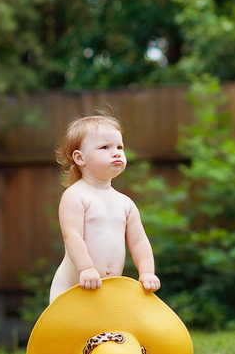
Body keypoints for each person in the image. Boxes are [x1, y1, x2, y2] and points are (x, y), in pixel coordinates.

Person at [49, 115, 160, 303]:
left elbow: (139, 242)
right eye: (105, 147)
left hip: (105, 291)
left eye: (119, 147)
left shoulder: (125, 203)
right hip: (73, 288)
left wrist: (147, 272)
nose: (116, 153)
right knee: (70, 324)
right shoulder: (76, 195)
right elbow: (72, 236)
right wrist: (86, 268)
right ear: (80, 158)